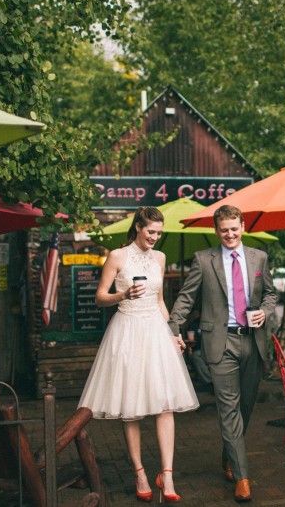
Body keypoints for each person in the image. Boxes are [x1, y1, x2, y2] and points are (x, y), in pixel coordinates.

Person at [78, 207, 198, 504]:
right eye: (150, 232)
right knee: (131, 406)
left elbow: (160, 302)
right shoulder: (118, 256)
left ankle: (167, 474)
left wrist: (174, 334)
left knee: (165, 403)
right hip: (128, 332)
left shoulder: (159, 258)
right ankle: (140, 472)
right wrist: (123, 295)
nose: (155, 238)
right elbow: (99, 297)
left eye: (159, 232)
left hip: (155, 332)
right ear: (138, 228)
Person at [168, 205, 277, 503]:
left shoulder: (259, 258)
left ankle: (230, 452)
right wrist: (173, 327)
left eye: (234, 228)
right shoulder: (204, 260)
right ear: (216, 231)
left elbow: (270, 293)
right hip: (220, 342)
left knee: (245, 409)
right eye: (224, 229)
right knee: (228, 410)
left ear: (243, 226)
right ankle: (242, 478)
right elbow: (186, 297)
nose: (230, 234)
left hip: (252, 342)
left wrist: (265, 312)